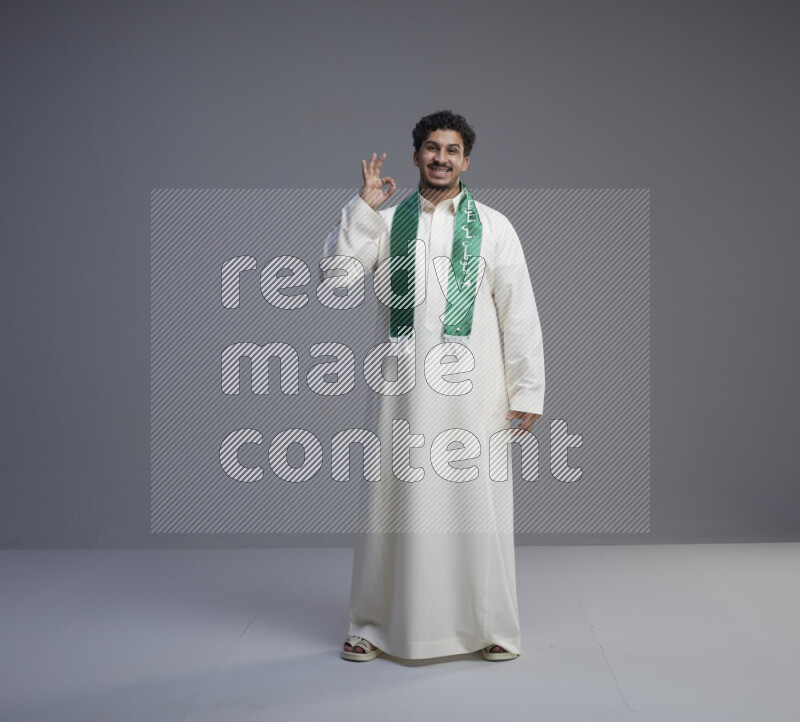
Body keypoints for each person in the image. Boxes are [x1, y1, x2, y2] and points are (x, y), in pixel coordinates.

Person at [322, 110, 545, 662]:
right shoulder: (386, 221)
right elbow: (337, 281)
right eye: (431, 148)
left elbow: (518, 312)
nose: (441, 158)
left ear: (465, 161)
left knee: (479, 508)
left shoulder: (494, 226)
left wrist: (528, 390)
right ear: (416, 155)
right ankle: (373, 625)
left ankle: (491, 626)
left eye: (451, 150)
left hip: (475, 394)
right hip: (401, 394)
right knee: (390, 506)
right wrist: (363, 210)